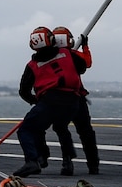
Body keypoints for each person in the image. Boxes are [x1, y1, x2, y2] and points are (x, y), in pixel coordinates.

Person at [12, 26, 87, 178]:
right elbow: (83, 67)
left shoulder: (32, 66)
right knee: (61, 127)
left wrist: (35, 101)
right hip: (73, 102)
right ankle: (67, 161)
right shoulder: (67, 53)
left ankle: (35, 159)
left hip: (50, 101)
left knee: (26, 129)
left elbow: (23, 91)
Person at [51, 25, 101, 175]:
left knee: (60, 128)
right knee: (86, 132)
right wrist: (85, 46)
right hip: (77, 98)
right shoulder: (73, 56)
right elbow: (87, 63)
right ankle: (93, 164)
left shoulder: (48, 58)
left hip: (57, 100)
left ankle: (67, 161)